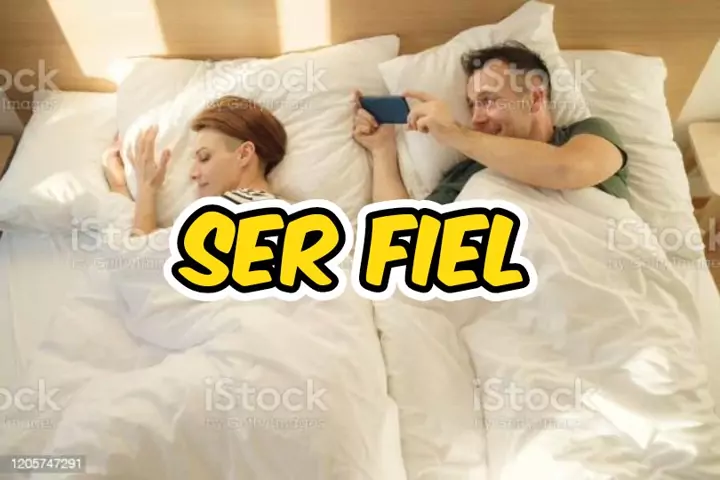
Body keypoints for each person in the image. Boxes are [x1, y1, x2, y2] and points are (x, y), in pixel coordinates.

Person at [352, 41, 628, 204]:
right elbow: (404, 235)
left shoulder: (588, 134)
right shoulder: (467, 174)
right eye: (472, 105)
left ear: (534, 99)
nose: (476, 119)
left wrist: (453, 133)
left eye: (487, 101)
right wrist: (382, 150)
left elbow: (566, 170)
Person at [102, 95, 287, 235]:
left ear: (244, 154)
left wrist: (145, 189)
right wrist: (125, 189)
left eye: (205, 157)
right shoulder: (282, 213)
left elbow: (138, 261)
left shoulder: (226, 212)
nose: (193, 173)